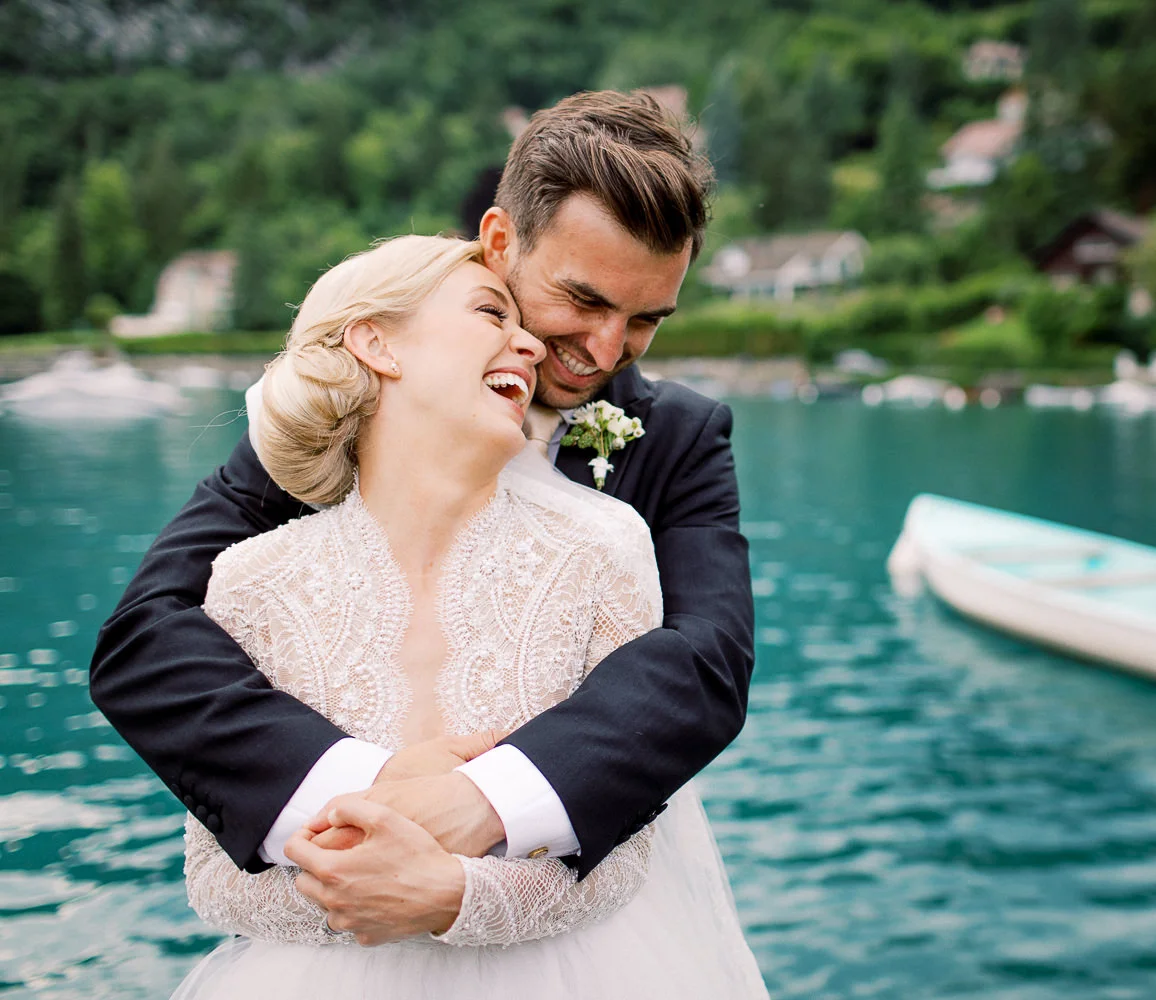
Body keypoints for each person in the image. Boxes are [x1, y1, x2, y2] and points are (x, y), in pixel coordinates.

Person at [89, 92, 756, 953]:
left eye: (643, 322)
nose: (601, 349)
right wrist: (371, 792)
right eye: (582, 300)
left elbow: (706, 663)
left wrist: (485, 807)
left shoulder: (679, 436)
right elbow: (145, 639)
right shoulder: (343, 416)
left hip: (583, 876)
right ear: (501, 240)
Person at [167, 233, 765, 997]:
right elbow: (214, 878)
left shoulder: (605, 546)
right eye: (492, 313)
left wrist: (453, 899)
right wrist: (367, 888)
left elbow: (628, 843)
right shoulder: (251, 578)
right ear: (376, 342)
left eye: (646, 316)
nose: (528, 345)